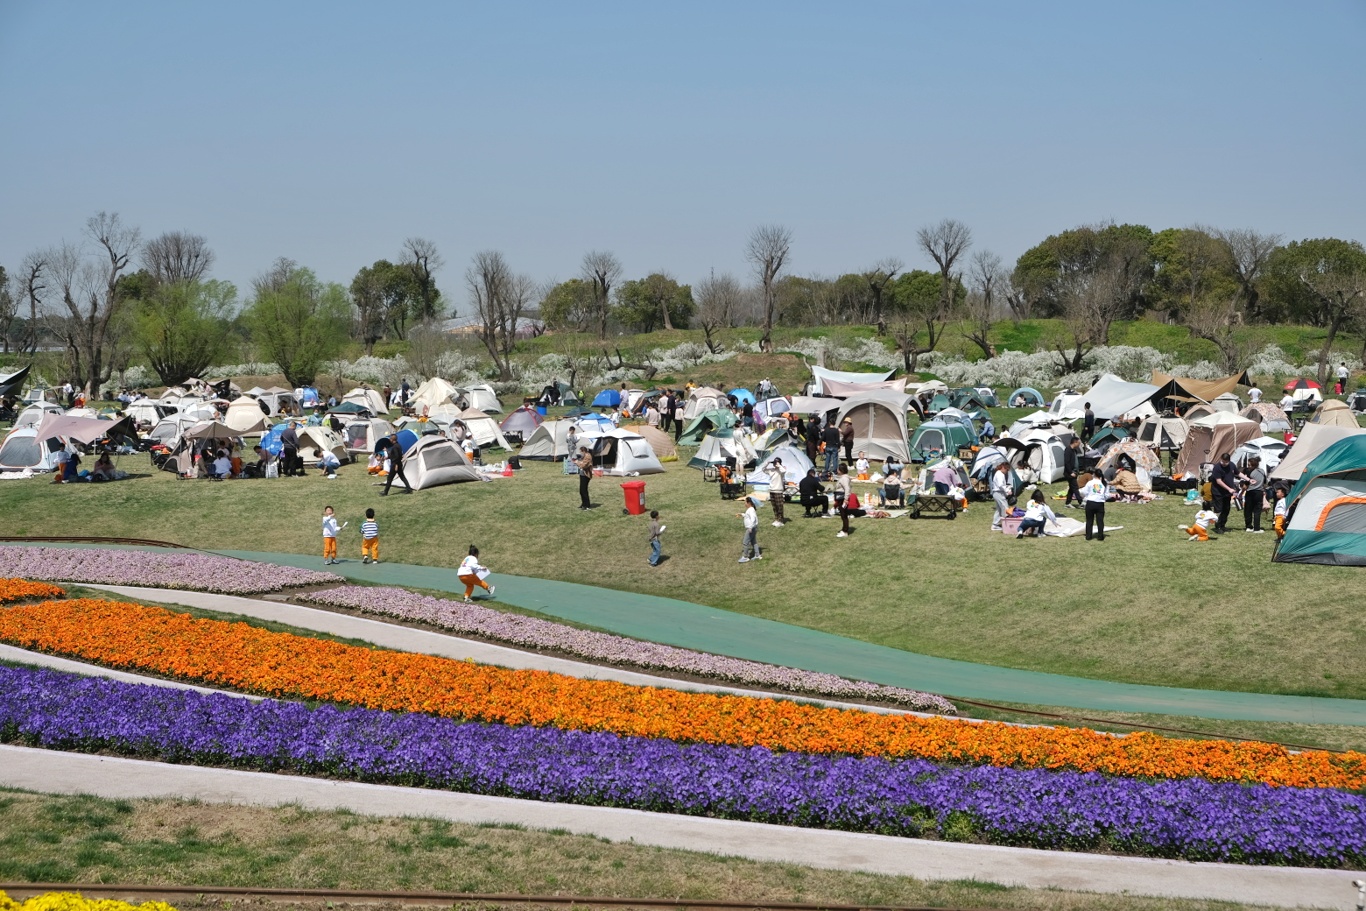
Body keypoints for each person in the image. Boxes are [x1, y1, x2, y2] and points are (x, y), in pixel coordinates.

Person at [1208, 452, 1239, 534]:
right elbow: (1219, 481)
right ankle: (1217, 526)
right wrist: (1229, 489)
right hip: (1218, 492)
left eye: (1226, 462)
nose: (1224, 463)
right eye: (1222, 461)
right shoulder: (1217, 467)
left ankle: (1222, 525)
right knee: (1219, 509)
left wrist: (1248, 479)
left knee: (1227, 509)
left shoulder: (1231, 465)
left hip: (1227, 493)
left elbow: (1238, 473)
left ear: (1229, 461)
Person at [380, 431, 413, 495]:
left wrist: (396, 465)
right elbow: (395, 455)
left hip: (395, 464)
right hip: (398, 463)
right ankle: (409, 489)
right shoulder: (398, 445)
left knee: (389, 478)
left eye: (390, 439)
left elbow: (397, 456)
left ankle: (385, 492)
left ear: (392, 439)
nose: (389, 440)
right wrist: (388, 457)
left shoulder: (395, 447)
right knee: (402, 476)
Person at [1081, 471, 1107, 541]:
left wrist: (1086, 496)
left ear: (1094, 475)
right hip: (1100, 503)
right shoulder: (1103, 483)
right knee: (1100, 521)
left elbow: (1084, 492)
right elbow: (1106, 494)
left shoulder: (1090, 482)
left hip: (1090, 502)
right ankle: (1100, 536)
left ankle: (1088, 536)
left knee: (1089, 520)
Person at [1243, 456, 1267, 533]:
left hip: (1250, 492)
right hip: (1259, 492)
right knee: (1257, 511)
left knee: (1248, 510)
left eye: (1249, 465)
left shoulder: (1249, 472)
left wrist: (1241, 492)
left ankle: (1248, 526)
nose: (1248, 466)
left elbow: (1245, 485)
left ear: (1254, 465)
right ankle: (1257, 528)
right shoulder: (1262, 471)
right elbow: (1265, 482)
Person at [738, 496, 762, 563]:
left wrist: (750, 527)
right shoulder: (750, 509)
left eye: (745, 502)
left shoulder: (751, 510)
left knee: (745, 542)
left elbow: (753, 519)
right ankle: (757, 555)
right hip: (754, 528)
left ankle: (745, 557)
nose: (744, 504)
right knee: (753, 542)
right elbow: (747, 515)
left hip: (751, 529)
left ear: (749, 503)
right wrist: (742, 514)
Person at [834, 463, 855, 538]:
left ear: (840, 470)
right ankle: (844, 529)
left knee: (844, 515)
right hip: (841, 498)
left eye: (838, 469)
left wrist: (846, 499)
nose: (837, 470)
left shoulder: (844, 478)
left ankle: (845, 531)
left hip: (843, 498)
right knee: (843, 514)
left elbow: (847, 488)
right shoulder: (843, 477)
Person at [990, 462, 1012, 531]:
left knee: (999, 510)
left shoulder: (999, 473)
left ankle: (995, 525)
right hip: (998, 493)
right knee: (1005, 508)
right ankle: (1007, 524)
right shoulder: (999, 474)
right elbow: (1000, 485)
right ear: (1003, 467)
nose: (1007, 471)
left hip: (997, 493)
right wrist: (1007, 491)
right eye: (1006, 470)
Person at [766, 457, 787, 527]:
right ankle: (776, 518)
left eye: (776, 462)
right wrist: (767, 464)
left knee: (779, 506)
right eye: (774, 463)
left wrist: (779, 465)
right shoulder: (771, 470)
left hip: (778, 490)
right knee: (774, 506)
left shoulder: (781, 470)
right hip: (772, 490)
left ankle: (781, 520)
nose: (775, 464)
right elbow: (763, 470)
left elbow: (784, 471)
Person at [1062, 437, 1082, 508]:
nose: (1079, 445)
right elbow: (1066, 462)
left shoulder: (1074, 450)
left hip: (1075, 472)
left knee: (1072, 488)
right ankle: (1081, 502)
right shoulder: (1068, 450)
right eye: (1078, 443)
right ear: (1075, 442)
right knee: (1075, 487)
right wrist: (1070, 472)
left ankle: (1068, 503)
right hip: (1070, 473)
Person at [574, 445, 594, 509]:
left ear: (584, 451)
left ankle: (587, 505)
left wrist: (577, 462)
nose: (580, 453)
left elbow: (584, 465)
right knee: (581, 490)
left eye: (581, 452)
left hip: (586, 475)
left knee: (584, 490)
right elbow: (581, 463)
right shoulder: (584, 456)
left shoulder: (588, 456)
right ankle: (583, 504)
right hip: (582, 474)